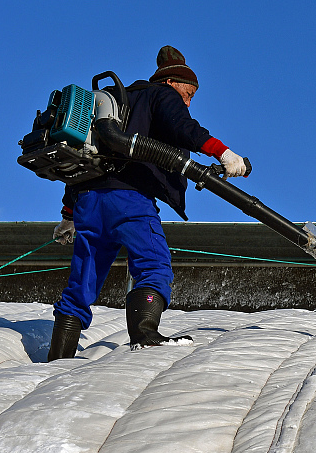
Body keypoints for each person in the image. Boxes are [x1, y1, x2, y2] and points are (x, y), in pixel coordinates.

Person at [47, 46, 248, 361]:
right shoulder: (161, 96)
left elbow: (85, 157)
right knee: (153, 263)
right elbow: (184, 128)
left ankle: (57, 359)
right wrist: (222, 152)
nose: (188, 101)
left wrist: (68, 216)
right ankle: (145, 335)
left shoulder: (113, 104)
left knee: (81, 283)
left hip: (88, 201)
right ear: (170, 82)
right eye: (188, 93)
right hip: (129, 198)